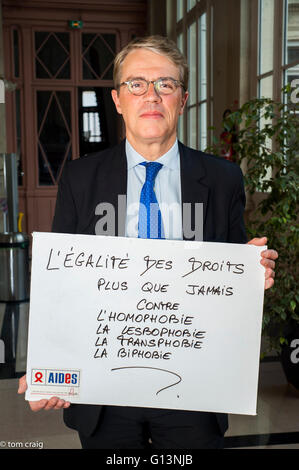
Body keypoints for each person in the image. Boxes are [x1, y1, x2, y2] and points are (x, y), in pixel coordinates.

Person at [18, 35, 278, 449]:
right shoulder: (80, 177)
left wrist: (252, 276)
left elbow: (230, 275)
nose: (151, 96)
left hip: (193, 384)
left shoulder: (224, 180)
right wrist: (50, 366)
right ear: (118, 100)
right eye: (136, 84)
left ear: (183, 98)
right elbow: (62, 282)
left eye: (166, 84)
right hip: (103, 386)